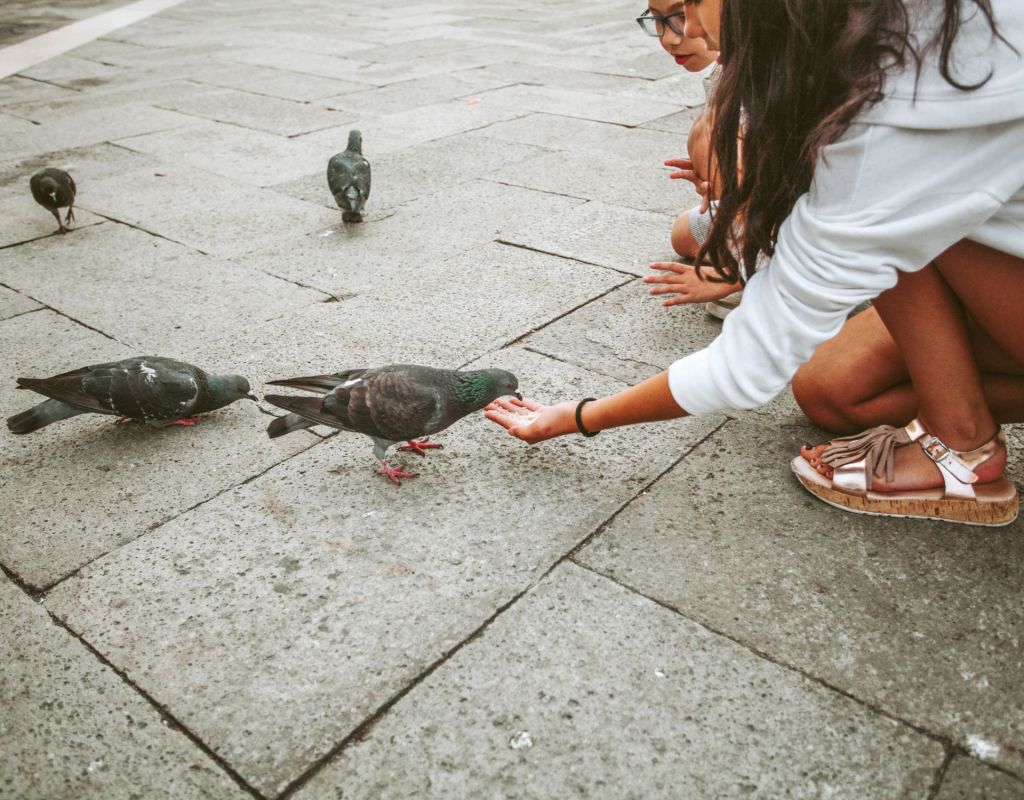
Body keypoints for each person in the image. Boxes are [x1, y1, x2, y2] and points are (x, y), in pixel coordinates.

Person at [487, 0, 1024, 526]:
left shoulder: (896, 124)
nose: (688, 27)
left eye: (694, 3)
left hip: (979, 250)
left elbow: (744, 365)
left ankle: (963, 446)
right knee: (833, 391)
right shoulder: (880, 45)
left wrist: (581, 416)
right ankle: (959, 420)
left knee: (902, 214)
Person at [637, 1, 743, 318]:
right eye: (657, 19)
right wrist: (717, 182)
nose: (670, 38)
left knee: (713, 132)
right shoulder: (725, 73)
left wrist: (733, 276)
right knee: (684, 234)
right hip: (759, 206)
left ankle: (759, 269)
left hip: (804, 220)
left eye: (682, 15)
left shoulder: (788, 77)